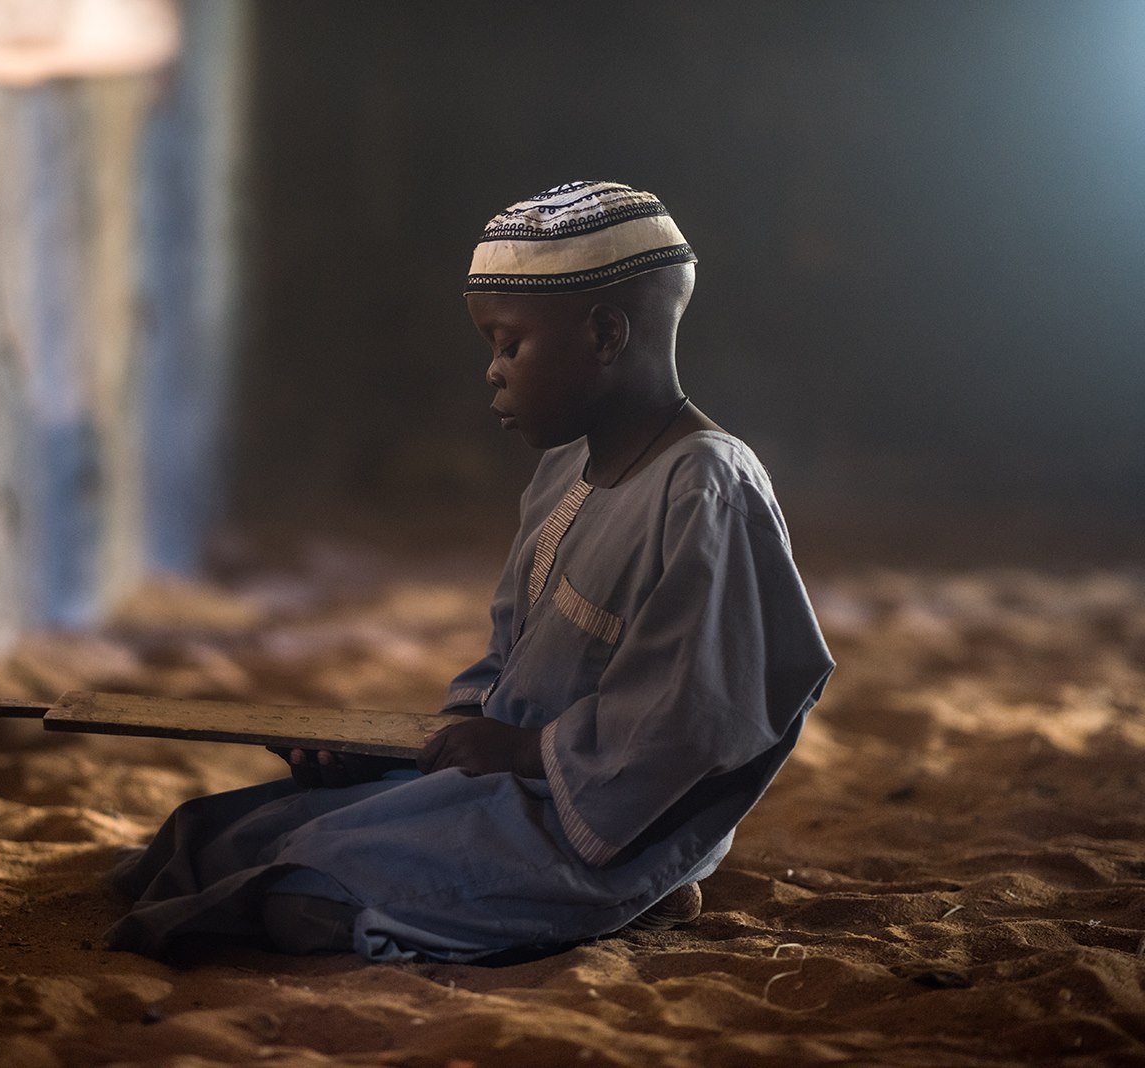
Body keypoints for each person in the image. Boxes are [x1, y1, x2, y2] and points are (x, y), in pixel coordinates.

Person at [107, 181, 835, 963]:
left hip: (613, 824)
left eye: (508, 345)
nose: (492, 372)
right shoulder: (564, 470)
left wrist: (523, 754)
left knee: (303, 905)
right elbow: (506, 663)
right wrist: (418, 742)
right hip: (512, 785)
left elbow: (698, 723)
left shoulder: (706, 490)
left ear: (605, 335)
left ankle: (637, 899)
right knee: (207, 840)